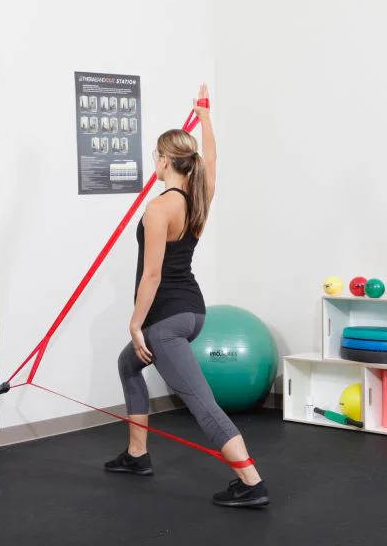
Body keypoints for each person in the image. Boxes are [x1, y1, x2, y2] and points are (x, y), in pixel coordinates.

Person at [104, 85, 269, 508]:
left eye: (155, 156)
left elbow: (152, 275)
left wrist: (136, 324)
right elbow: (212, 159)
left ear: (164, 160)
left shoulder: (159, 209)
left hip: (165, 320)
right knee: (127, 364)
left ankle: (251, 482)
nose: (154, 162)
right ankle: (137, 455)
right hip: (193, 311)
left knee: (200, 401)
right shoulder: (198, 199)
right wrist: (205, 118)